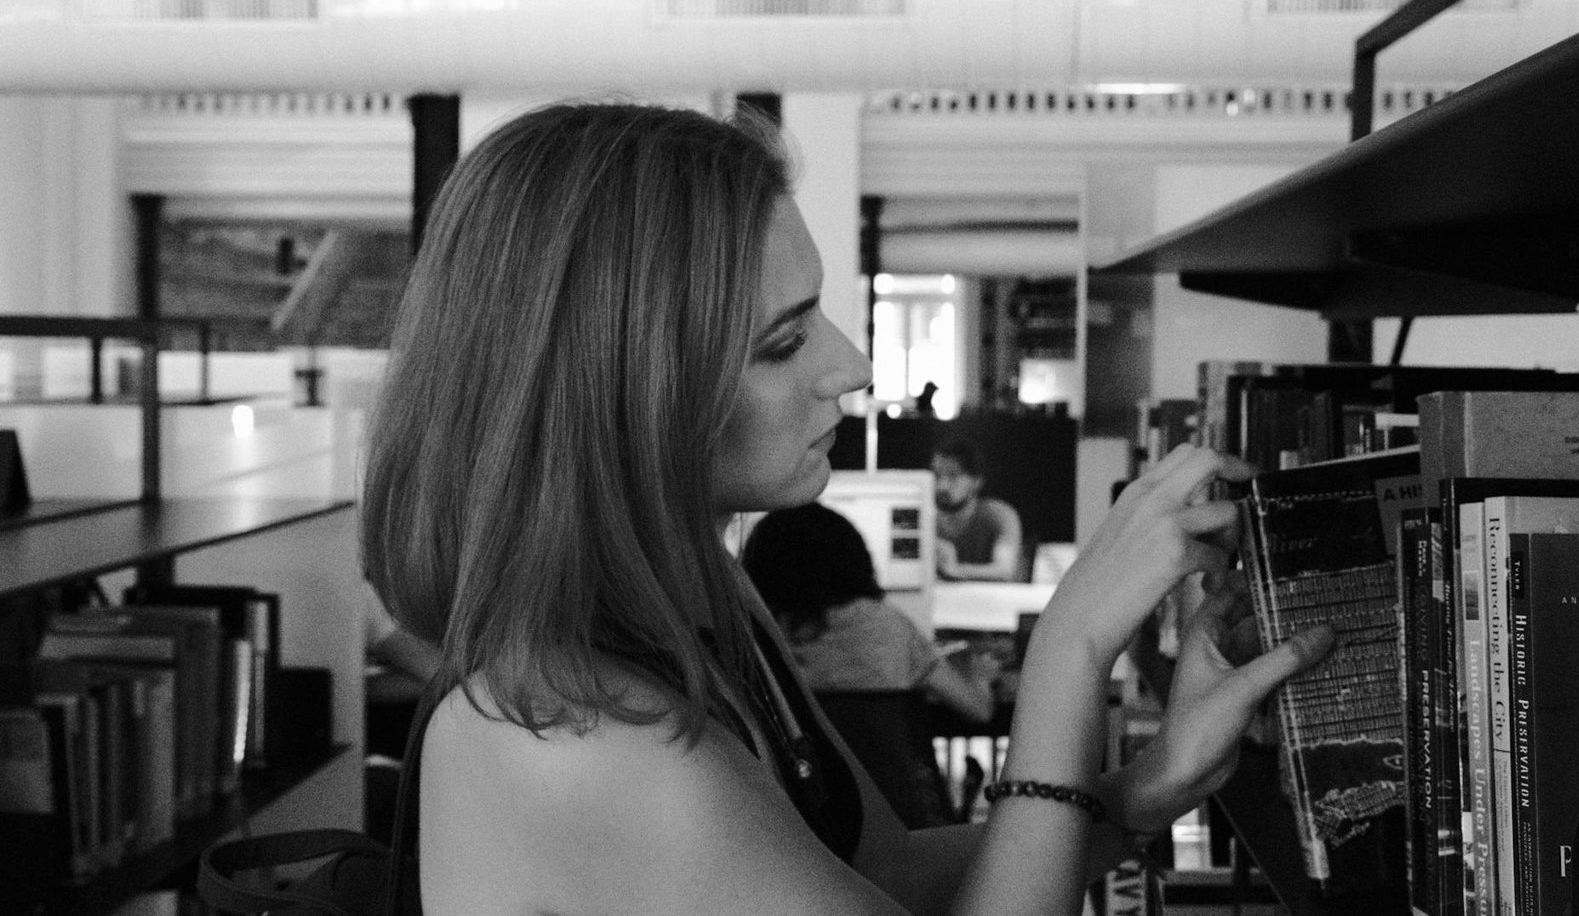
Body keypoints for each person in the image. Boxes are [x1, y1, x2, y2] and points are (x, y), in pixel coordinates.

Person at [361, 100, 1335, 916]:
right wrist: (1070, 647)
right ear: (629, 395)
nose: (853, 367)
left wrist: (1142, 789)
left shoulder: (705, 596)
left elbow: (882, 874)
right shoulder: (571, 736)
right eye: (783, 343)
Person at [743, 501, 997, 724]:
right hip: (887, 779)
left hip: (793, 779)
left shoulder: (755, 635)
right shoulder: (890, 626)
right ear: (853, 556)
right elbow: (979, 711)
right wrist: (980, 677)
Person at [930, 439, 1026, 581]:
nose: (942, 485)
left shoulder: (1000, 515)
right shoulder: (923, 518)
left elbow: (1004, 570)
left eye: (953, 476)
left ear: (976, 481)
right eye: (936, 476)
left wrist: (954, 569)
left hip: (993, 600)